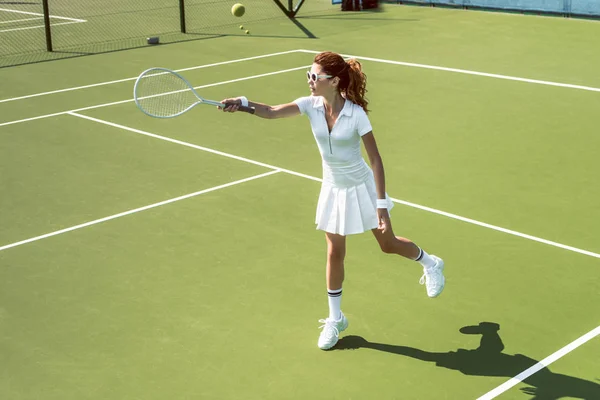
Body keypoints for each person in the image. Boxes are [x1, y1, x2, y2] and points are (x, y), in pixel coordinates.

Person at [219, 51, 445, 350]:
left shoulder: (356, 115)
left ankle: (430, 263)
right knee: (334, 252)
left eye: (315, 77)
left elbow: (376, 160)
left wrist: (381, 205)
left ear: (334, 81)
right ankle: (335, 319)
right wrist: (245, 105)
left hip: (361, 187)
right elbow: (272, 111)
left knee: (387, 244)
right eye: (308, 75)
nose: (310, 81)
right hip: (333, 188)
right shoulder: (310, 106)